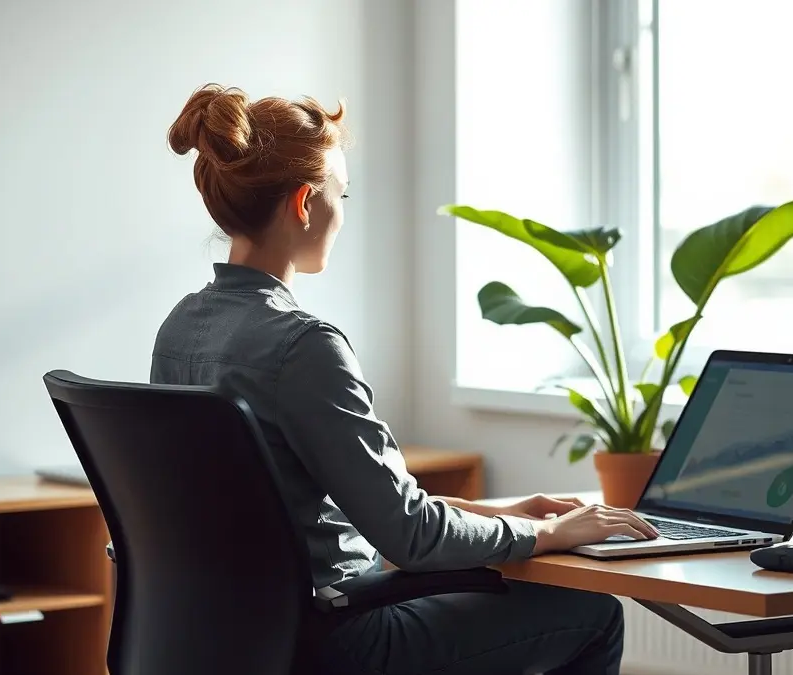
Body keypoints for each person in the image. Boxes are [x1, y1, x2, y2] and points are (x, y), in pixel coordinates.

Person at [154, 83, 659, 675]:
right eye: (342, 193)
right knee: (593, 612)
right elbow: (410, 539)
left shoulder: (180, 330)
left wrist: (507, 517)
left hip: (226, 644)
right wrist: (547, 536)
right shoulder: (303, 346)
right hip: (335, 641)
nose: (344, 210)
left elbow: (341, 507)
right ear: (304, 203)